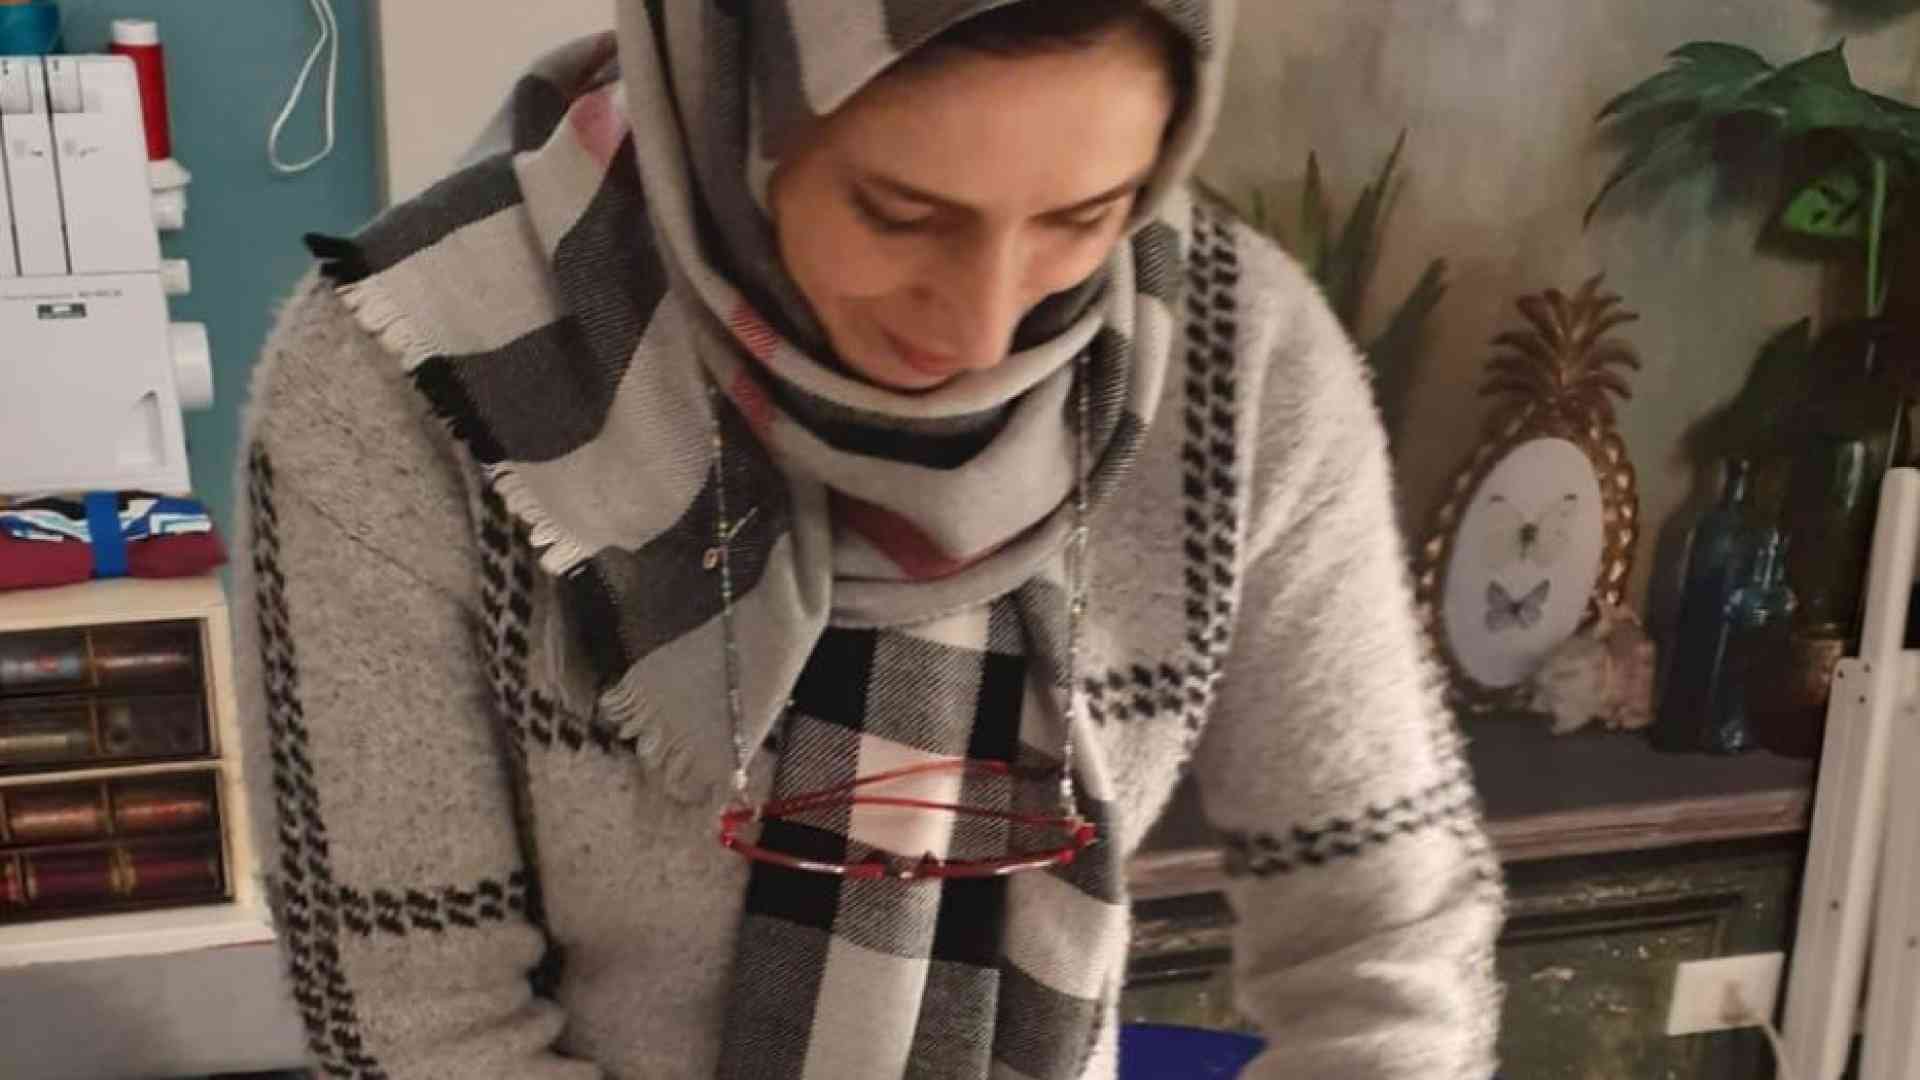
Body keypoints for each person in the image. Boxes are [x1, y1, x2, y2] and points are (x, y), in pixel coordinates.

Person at [234, 2, 1505, 1078]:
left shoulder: (1237, 361)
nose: (985, 326)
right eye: (900, 215)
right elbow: (421, 1032)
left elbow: (1387, 940)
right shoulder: (402, 388)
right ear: (731, 97)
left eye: (1084, 215)